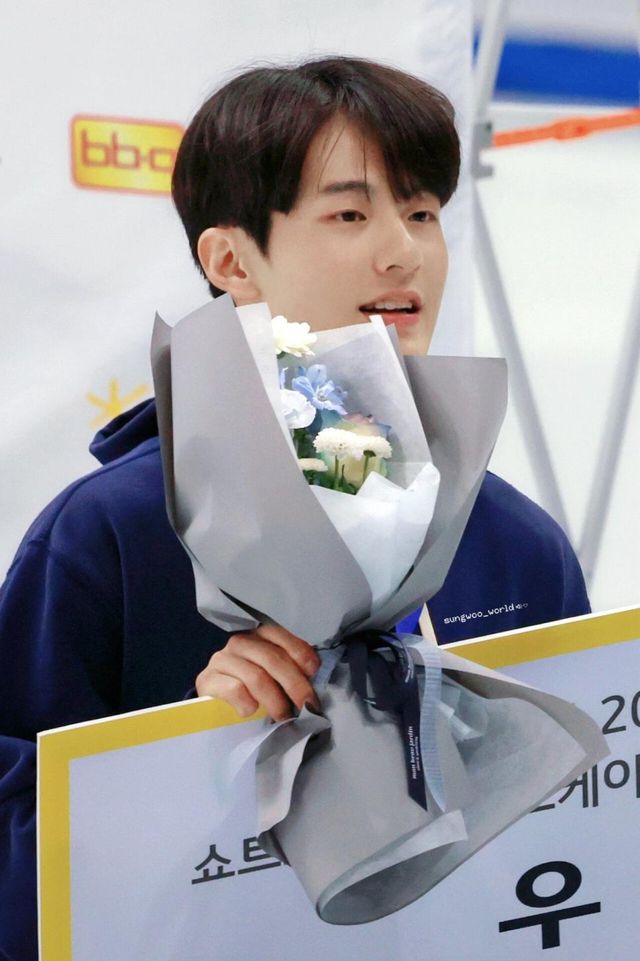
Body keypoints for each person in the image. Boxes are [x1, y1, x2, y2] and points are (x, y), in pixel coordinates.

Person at [0, 57, 589, 960]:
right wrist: (181, 756)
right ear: (232, 260)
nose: (404, 251)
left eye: (423, 212)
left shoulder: (514, 544)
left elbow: (588, 830)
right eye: (351, 214)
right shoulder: (107, 535)